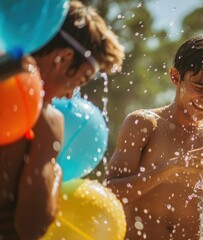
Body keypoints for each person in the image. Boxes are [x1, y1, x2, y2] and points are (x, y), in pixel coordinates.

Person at [0, 1, 124, 239]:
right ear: (64, 58)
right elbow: (30, 226)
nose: (70, 95)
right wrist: (53, 169)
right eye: (80, 79)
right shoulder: (47, 120)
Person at [106, 36, 203, 239]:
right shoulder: (144, 124)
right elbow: (111, 193)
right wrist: (173, 166)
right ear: (175, 77)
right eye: (200, 86)